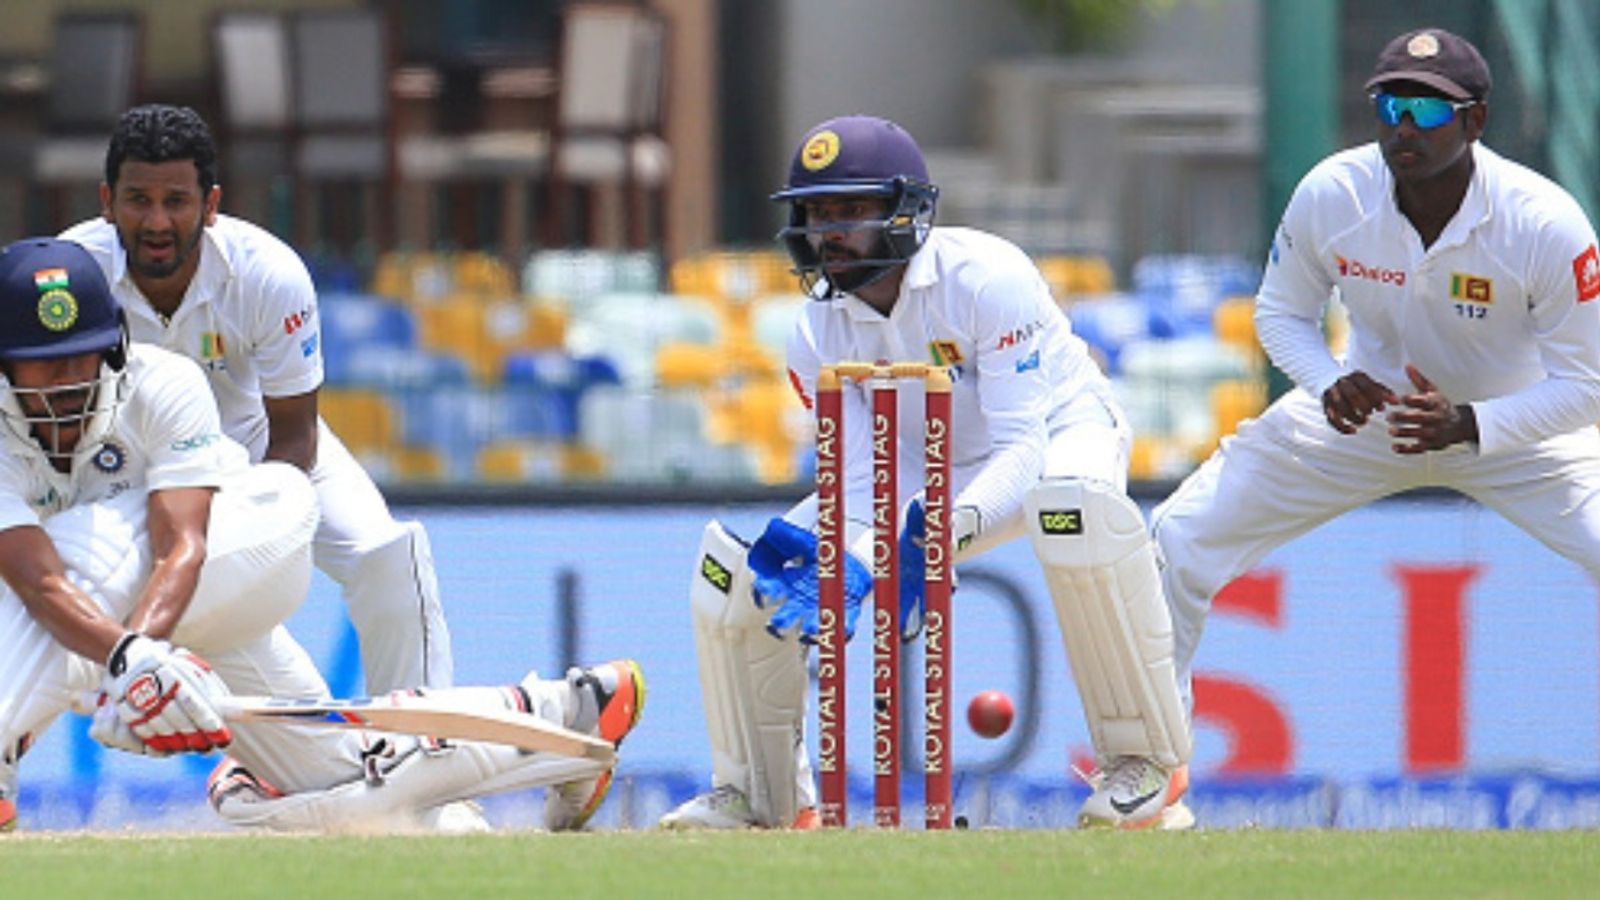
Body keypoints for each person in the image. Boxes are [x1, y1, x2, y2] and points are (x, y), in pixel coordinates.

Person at [0, 238, 643, 834]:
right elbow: (33, 581)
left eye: (78, 356)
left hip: (252, 534)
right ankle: (573, 711)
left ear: (114, 346)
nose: (67, 383)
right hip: (163, 621)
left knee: (87, 541)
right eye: (41, 365)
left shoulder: (163, 381)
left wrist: (133, 660)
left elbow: (181, 545)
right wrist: (129, 666)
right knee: (343, 786)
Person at [659, 115, 1192, 831]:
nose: (829, 234)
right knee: (741, 576)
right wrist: (853, 556)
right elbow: (854, 480)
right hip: (914, 464)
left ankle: (1147, 765)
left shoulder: (985, 278)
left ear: (905, 212)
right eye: (817, 215)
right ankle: (762, 795)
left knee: (1077, 514)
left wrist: (929, 539)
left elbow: (1022, 450)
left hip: (1058, 430)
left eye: (851, 211)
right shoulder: (815, 330)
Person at [1151, 28, 1600, 756]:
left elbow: (1589, 385)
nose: (1403, 128)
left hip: (1517, 433)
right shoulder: (1335, 193)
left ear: (1476, 121)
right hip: (1366, 419)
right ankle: (1150, 767)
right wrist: (1328, 382)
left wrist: (1472, 424)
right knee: (1177, 539)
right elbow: (1281, 312)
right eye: (1392, 106)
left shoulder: (1545, 222)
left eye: (1428, 112)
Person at [60, 104, 451, 696]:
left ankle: (426, 739)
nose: (157, 222)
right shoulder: (71, 275)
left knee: (387, 555)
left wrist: (253, 535)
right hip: (132, 474)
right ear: (107, 201)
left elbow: (296, 436)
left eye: (177, 201)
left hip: (261, 452)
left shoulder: (267, 274)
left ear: (211, 205)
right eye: (138, 200)